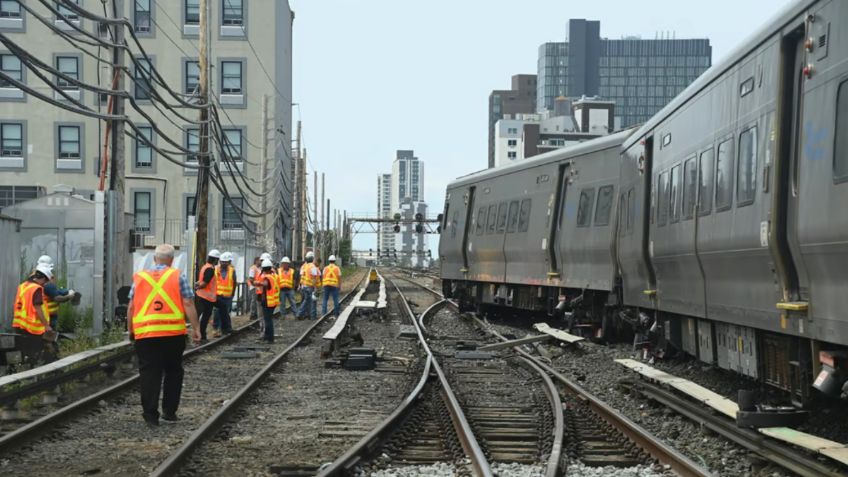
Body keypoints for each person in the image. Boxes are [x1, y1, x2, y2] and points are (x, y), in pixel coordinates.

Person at [127, 243, 201, 427]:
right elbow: (188, 303)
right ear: (172, 259)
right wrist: (196, 329)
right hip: (172, 334)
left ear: (154, 259)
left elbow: (131, 307)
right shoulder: (177, 276)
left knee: (149, 373)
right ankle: (169, 411)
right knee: (173, 371)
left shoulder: (140, 278)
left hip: (146, 334)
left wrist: (131, 330)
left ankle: (150, 415)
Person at [12, 264, 55, 363]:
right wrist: (46, 325)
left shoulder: (23, 285)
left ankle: (22, 370)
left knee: (23, 352)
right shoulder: (36, 289)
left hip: (19, 324)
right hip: (32, 328)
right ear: (43, 278)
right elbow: (37, 307)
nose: (44, 284)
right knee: (35, 353)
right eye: (45, 281)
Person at [35, 255, 77, 330]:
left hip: (40, 316)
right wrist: (69, 296)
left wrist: (64, 291)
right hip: (49, 316)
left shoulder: (35, 278)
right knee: (49, 335)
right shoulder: (47, 283)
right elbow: (57, 298)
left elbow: (52, 292)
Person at [194, 249, 219, 342]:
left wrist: (197, 285)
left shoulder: (205, 267)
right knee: (206, 316)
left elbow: (201, 281)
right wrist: (198, 287)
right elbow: (204, 283)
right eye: (217, 260)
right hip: (207, 297)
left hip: (204, 295)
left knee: (205, 315)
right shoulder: (210, 269)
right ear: (215, 260)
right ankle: (202, 335)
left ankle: (203, 334)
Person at [255, 258, 279, 343]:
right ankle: (267, 337)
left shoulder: (267, 277)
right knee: (268, 319)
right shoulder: (273, 276)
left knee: (268, 320)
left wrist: (258, 283)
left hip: (268, 302)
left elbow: (265, 284)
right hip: (272, 301)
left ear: (263, 268)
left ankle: (269, 338)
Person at [214, 252, 235, 336]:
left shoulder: (232, 270)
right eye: (223, 261)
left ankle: (226, 329)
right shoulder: (215, 269)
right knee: (217, 313)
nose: (224, 263)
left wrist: (232, 293)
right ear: (220, 261)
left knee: (226, 312)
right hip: (218, 295)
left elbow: (234, 282)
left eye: (226, 262)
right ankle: (216, 329)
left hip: (228, 296)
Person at [298, 252, 321, 320]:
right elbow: (314, 278)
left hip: (304, 286)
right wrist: (315, 288)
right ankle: (311, 316)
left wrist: (300, 285)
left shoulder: (304, 266)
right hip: (310, 287)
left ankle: (306, 314)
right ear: (313, 258)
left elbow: (301, 276)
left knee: (306, 301)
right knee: (312, 302)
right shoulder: (312, 267)